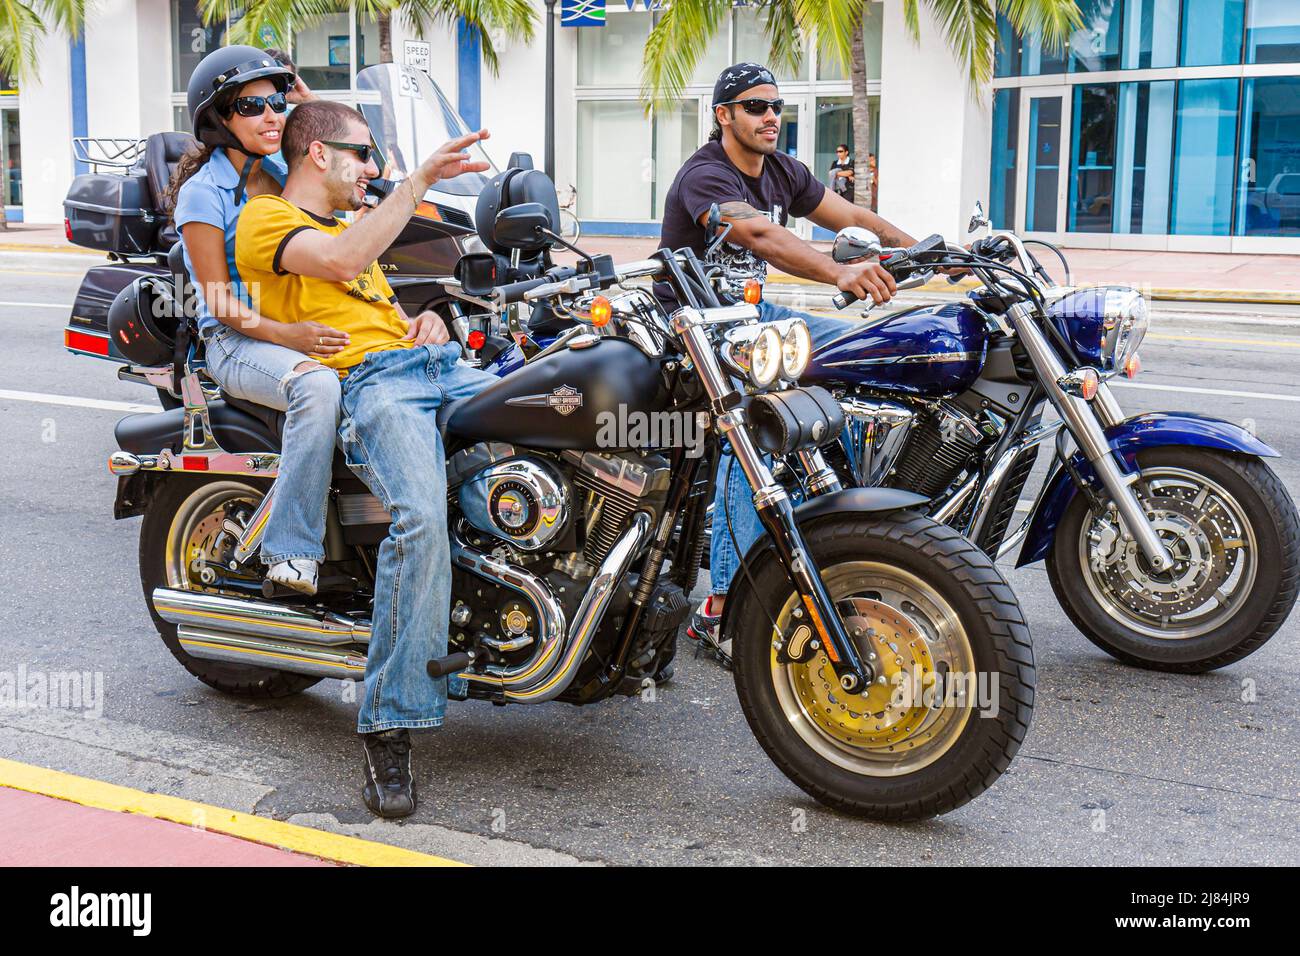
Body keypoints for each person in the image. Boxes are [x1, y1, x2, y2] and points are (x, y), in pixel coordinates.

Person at [235, 100, 497, 819]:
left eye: (380, 158)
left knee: (556, 427)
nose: (374, 170)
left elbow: (374, 302)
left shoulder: (353, 227)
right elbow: (345, 262)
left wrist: (430, 319)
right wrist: (414, 183)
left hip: (429, 365)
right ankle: (390, 722)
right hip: (374, 387)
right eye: (363, 154)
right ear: (317, 153)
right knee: (419, 522)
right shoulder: (267, 220)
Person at [657, 62, 927, 661]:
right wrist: (836, 271)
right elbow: (758, 236)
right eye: (754, 107)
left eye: (775, 106)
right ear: (724, 115)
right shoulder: (706, 174)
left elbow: (853, 218)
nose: (770, 116)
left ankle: (857, 535)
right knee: (746, 431)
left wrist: (931, 251)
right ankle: (723, 606)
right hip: (696, 323)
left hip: (754, 317)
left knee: (868, 356)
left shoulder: (784, 171)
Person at [168, 45, 343, 596]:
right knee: (315, 387)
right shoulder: (203, 194)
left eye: (277, 101)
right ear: (220, 120)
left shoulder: (283, 170)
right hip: (238, 341)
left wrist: (307, 101)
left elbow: (362, 165)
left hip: (296, 323)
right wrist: (289, 337)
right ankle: (290, 552)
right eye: (253, 107)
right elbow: (218, 301)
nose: (272, 115)